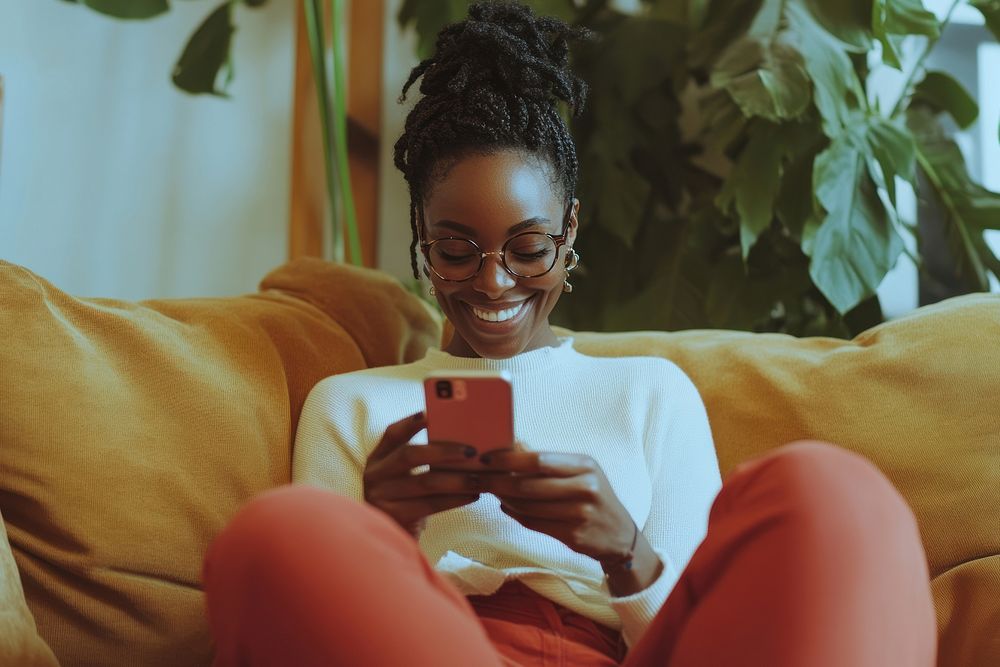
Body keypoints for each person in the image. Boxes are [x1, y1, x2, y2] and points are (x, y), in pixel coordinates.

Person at [201, 2, 937, 665]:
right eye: (456, 249)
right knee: (278, 535)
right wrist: (382, 534)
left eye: (529, 248)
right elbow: (326, 621)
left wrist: (625, 553)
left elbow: (706, 631)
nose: (494, 283)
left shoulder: (650, 392)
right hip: (437, 644)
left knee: (832, 490)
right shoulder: (349, 407)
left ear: (570, 230)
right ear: (421, 238)